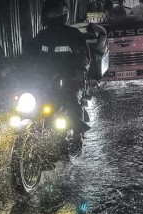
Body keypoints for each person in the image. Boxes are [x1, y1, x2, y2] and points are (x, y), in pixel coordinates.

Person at [22, 0, 91, 143]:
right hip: (45, 79)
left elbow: (83, 57)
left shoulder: (74, 34)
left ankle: (78, 133)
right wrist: (15, 69)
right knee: (30, 101)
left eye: (55, 12)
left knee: (70, 100)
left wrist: (79, 71)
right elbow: (28, 56)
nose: (52, 15)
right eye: (49, 12)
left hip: (68, 79)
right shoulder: (41, 36)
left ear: (64, 14)